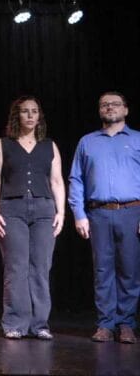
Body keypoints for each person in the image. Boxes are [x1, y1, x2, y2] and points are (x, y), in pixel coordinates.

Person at [0, 96, 65, 340]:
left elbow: (57, 181)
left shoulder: (49, 145)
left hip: (44, 210)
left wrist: (61, 212)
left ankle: (40, 324)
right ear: (17, 116)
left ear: (39, 116)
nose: (30, 115)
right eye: (25, 111)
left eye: (34, 111)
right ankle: (15, 323)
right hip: (12, 209)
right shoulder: (3, 144)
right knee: (16, 267)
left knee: (41, 267)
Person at [69, 91, 140, 344]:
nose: (110, 108)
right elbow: (76, 179)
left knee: (130, 271)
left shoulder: (137, 139)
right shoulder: (87, 142)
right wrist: (79, 215)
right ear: (99, 111)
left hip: (132, 212)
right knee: (102, 271)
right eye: (104, 105)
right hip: (98, 213)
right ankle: (105, 324)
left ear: (126, 109)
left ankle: (126, 324)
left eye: (115, 104)